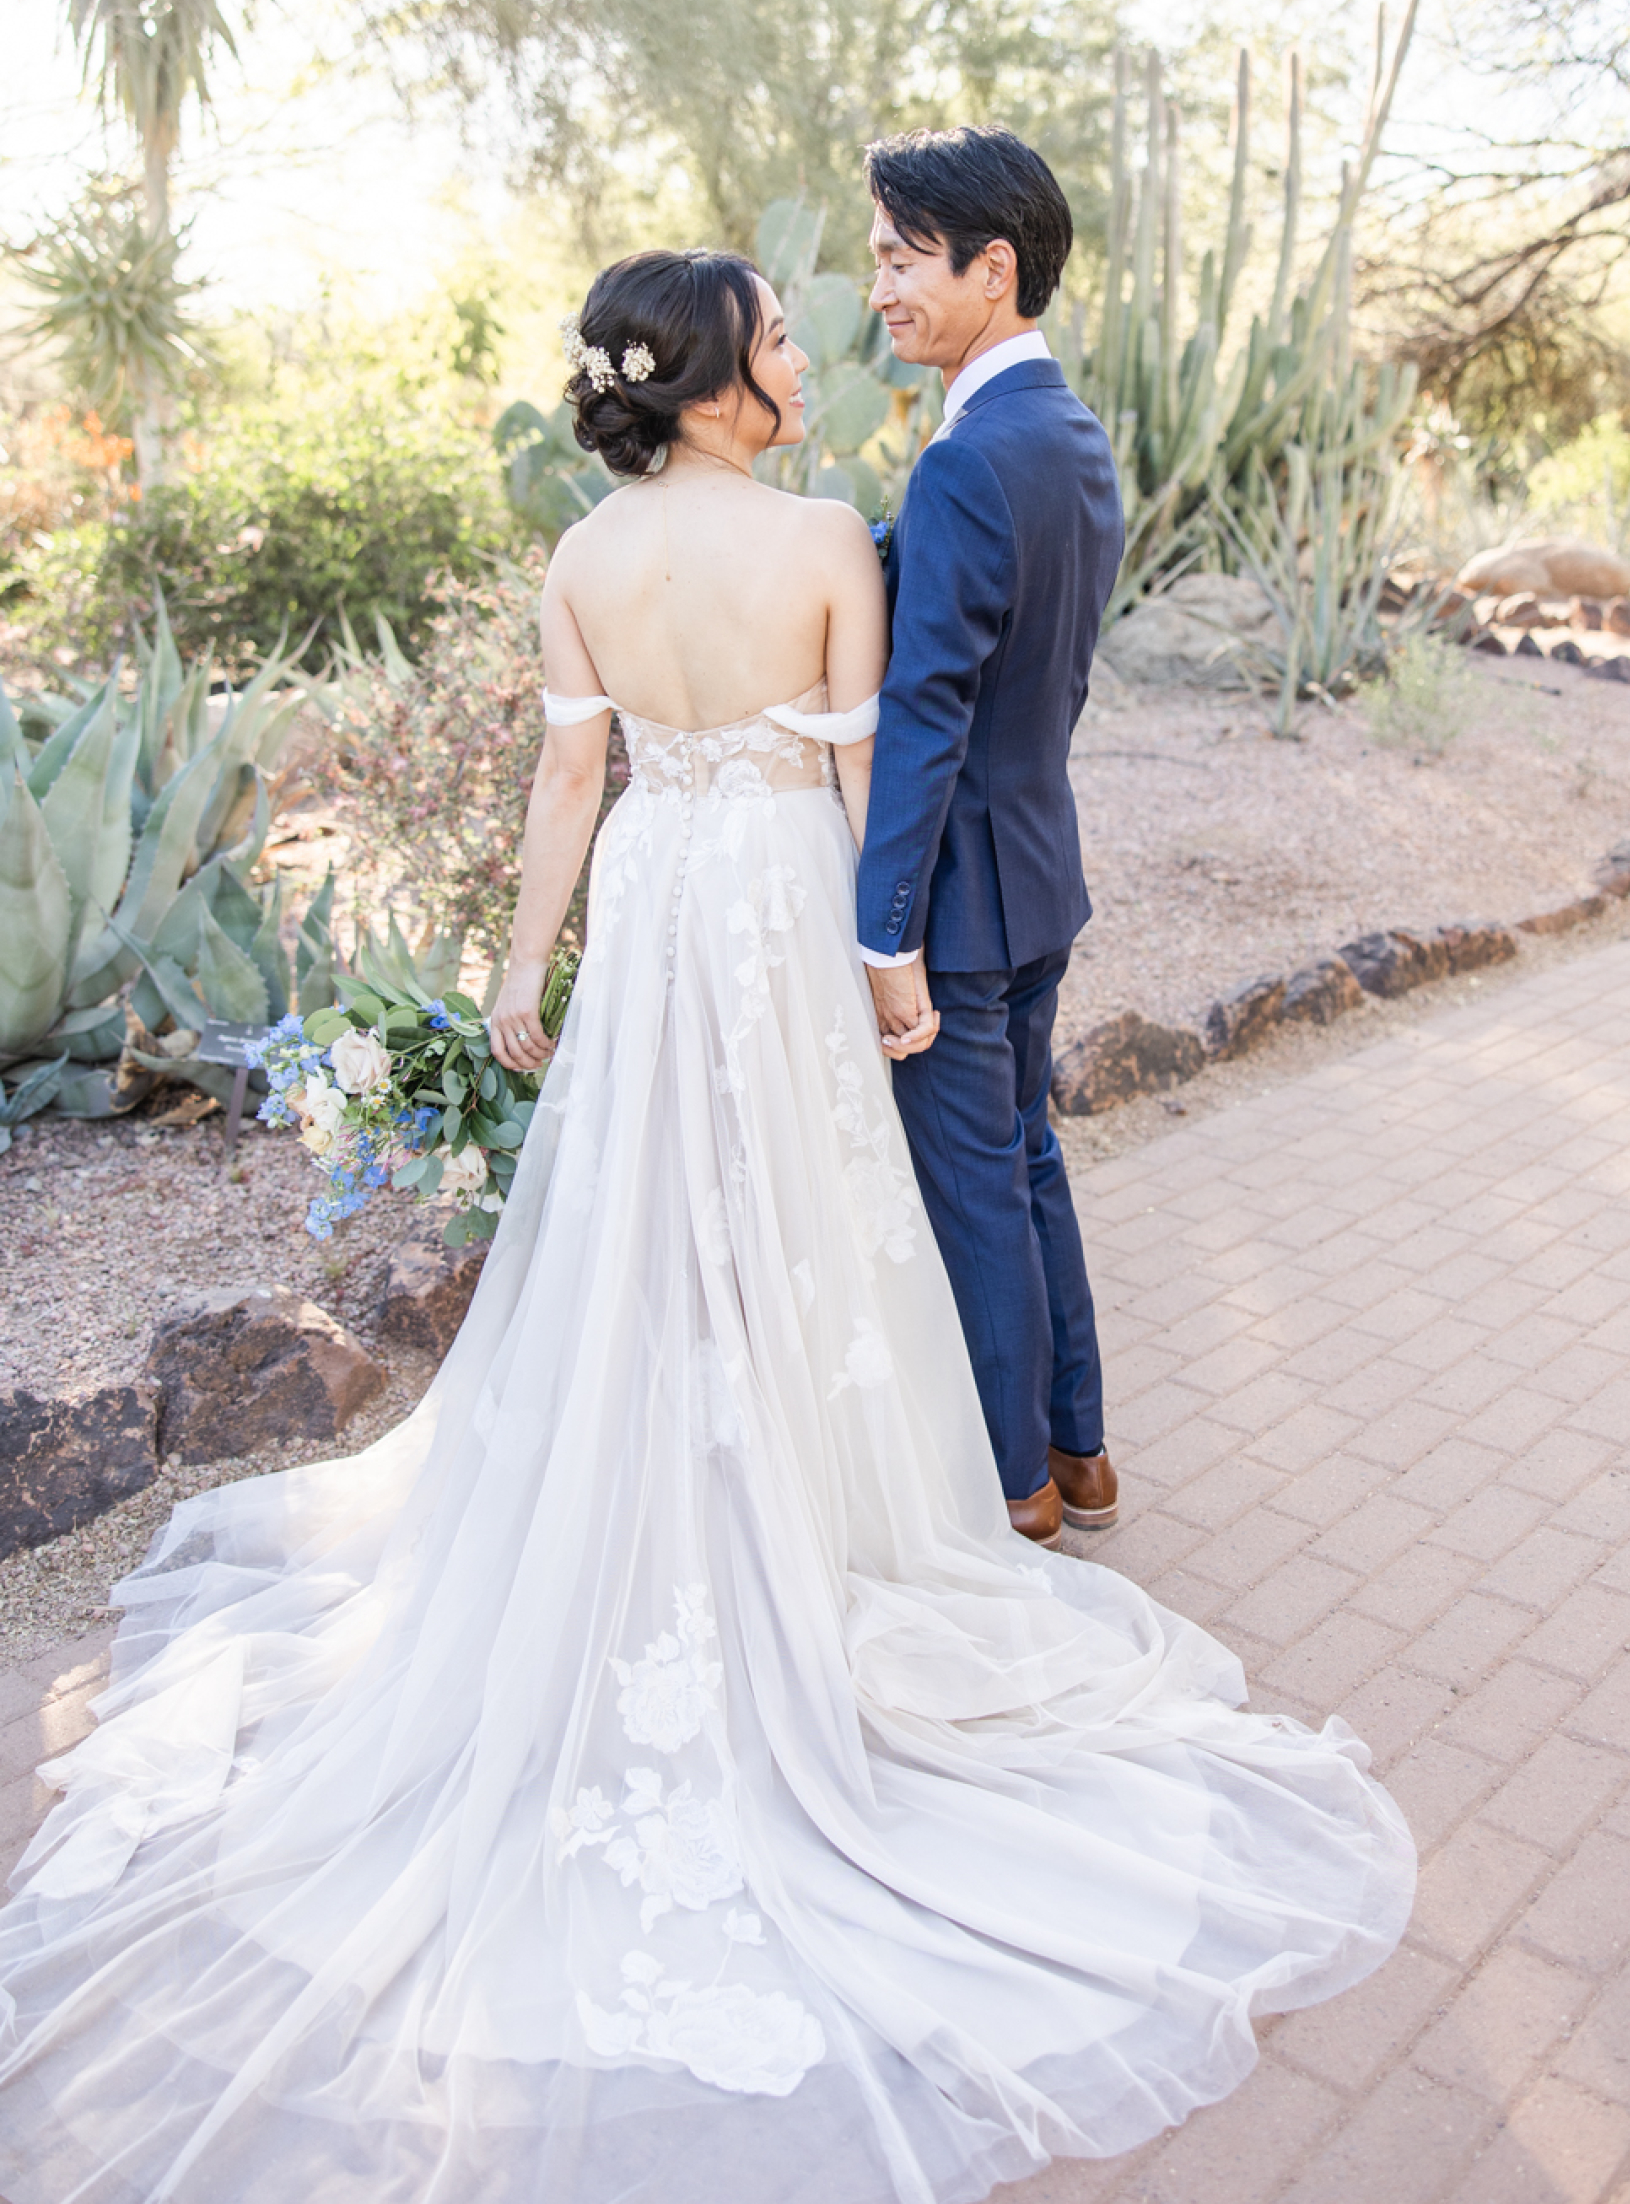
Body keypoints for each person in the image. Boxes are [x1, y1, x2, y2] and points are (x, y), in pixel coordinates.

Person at [0, 247, 1414, 2204]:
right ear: (723, 375)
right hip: (770, 913)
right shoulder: (831, 534)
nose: (802, 355)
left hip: (658, 908)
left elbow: (569, 780)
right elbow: (857, 784)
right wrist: (885, 971)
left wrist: (521, 972)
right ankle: (812, 1527)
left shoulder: (586, 557)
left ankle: (672, 1482)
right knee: (804, 1228)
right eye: (775, 333)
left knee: (643, 1223)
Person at [856, 127, 1122, 1549]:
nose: (877, 289)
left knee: (974, 1186)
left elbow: (928, 714)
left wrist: (881, 930)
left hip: (957, 908)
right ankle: (1081, 1456)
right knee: (1027, 1161)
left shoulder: (966, 464)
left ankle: (1012, 1492)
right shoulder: (1069, 438)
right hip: (1041, 879)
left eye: (901, 259)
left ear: (991, 266)